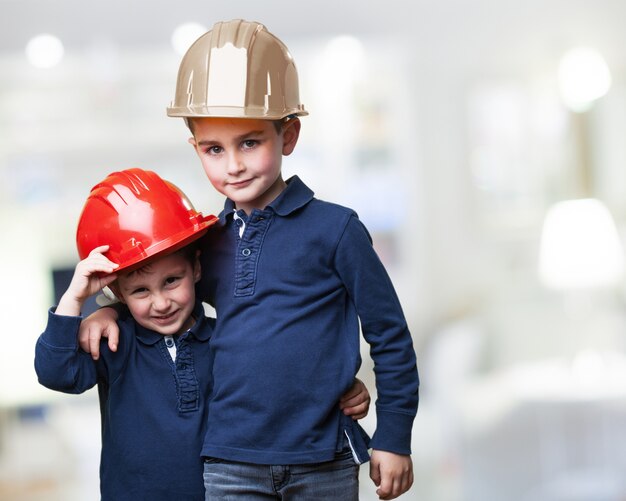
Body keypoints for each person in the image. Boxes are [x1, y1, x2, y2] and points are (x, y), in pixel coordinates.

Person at [80, 19, 419, 500]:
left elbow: (389, 334)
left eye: (250, 143)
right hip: (228, 460)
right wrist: (110, 310)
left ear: (289, 135)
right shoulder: (207, 242)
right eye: (214, 149)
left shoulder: (336, 230)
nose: (233, 165)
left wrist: (394, 433)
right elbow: (168, 295)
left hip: (322, 458)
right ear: (195, 148)